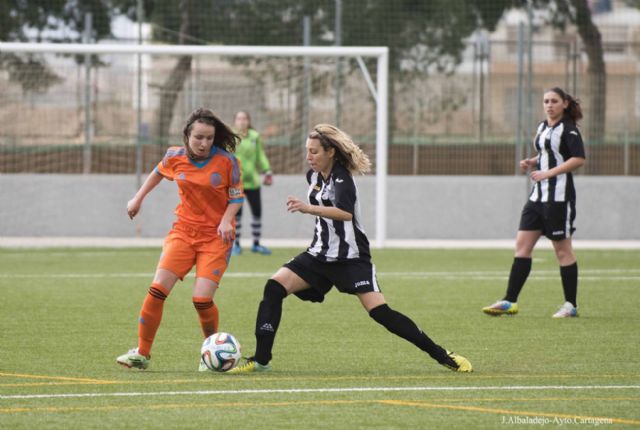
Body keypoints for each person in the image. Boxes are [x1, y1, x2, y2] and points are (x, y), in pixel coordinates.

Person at [229, 124, 472, 374]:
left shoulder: (342, 177)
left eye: (314, 152)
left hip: (351, 259)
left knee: (381, 313)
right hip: (319, 254)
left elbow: (344, 213)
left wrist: (307, 208)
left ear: (331, 152)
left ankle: (442, 355)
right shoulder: (312, 176)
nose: (308, 157)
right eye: (307, 151)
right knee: (274, 287)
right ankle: (260, 360)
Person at [116, 108, 244, 370]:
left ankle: (211, 353)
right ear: (187, 135)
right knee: (157, 289)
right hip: (183, 232)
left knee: (201, 299)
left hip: (215, 238)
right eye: (198, 137)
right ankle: (141, 352)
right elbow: (157, 173)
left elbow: (236, 197)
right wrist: (137, 198)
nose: (204, 143)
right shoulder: (174, 156)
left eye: (209, 138)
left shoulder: (227, 161)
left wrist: (224, 221)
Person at [482, 87, 586, 318]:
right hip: (537, 197)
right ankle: (510, 301)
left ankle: (570, 305)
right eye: (546, 101)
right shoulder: (542, 127)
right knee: (522, 246)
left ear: (565, 104)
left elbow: (578, 158)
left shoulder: (569, 130)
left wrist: (548, 173)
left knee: (562, 250)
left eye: (554, 101)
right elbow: (550, 152)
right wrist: (533, 160)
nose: (549, 105)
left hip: (558, 198)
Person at [231, 111, 273, 256]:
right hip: (236, 183)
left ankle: (256, 244)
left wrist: (267, 170)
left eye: (244, 118)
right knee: (237, 215)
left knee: (257, 213)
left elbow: (260, 155)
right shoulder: (231, 137)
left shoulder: (255, 136)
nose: (242, 121)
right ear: (235, 121)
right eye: (239, 118)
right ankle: (236, 245)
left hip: (253, 182)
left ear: (249, 121)